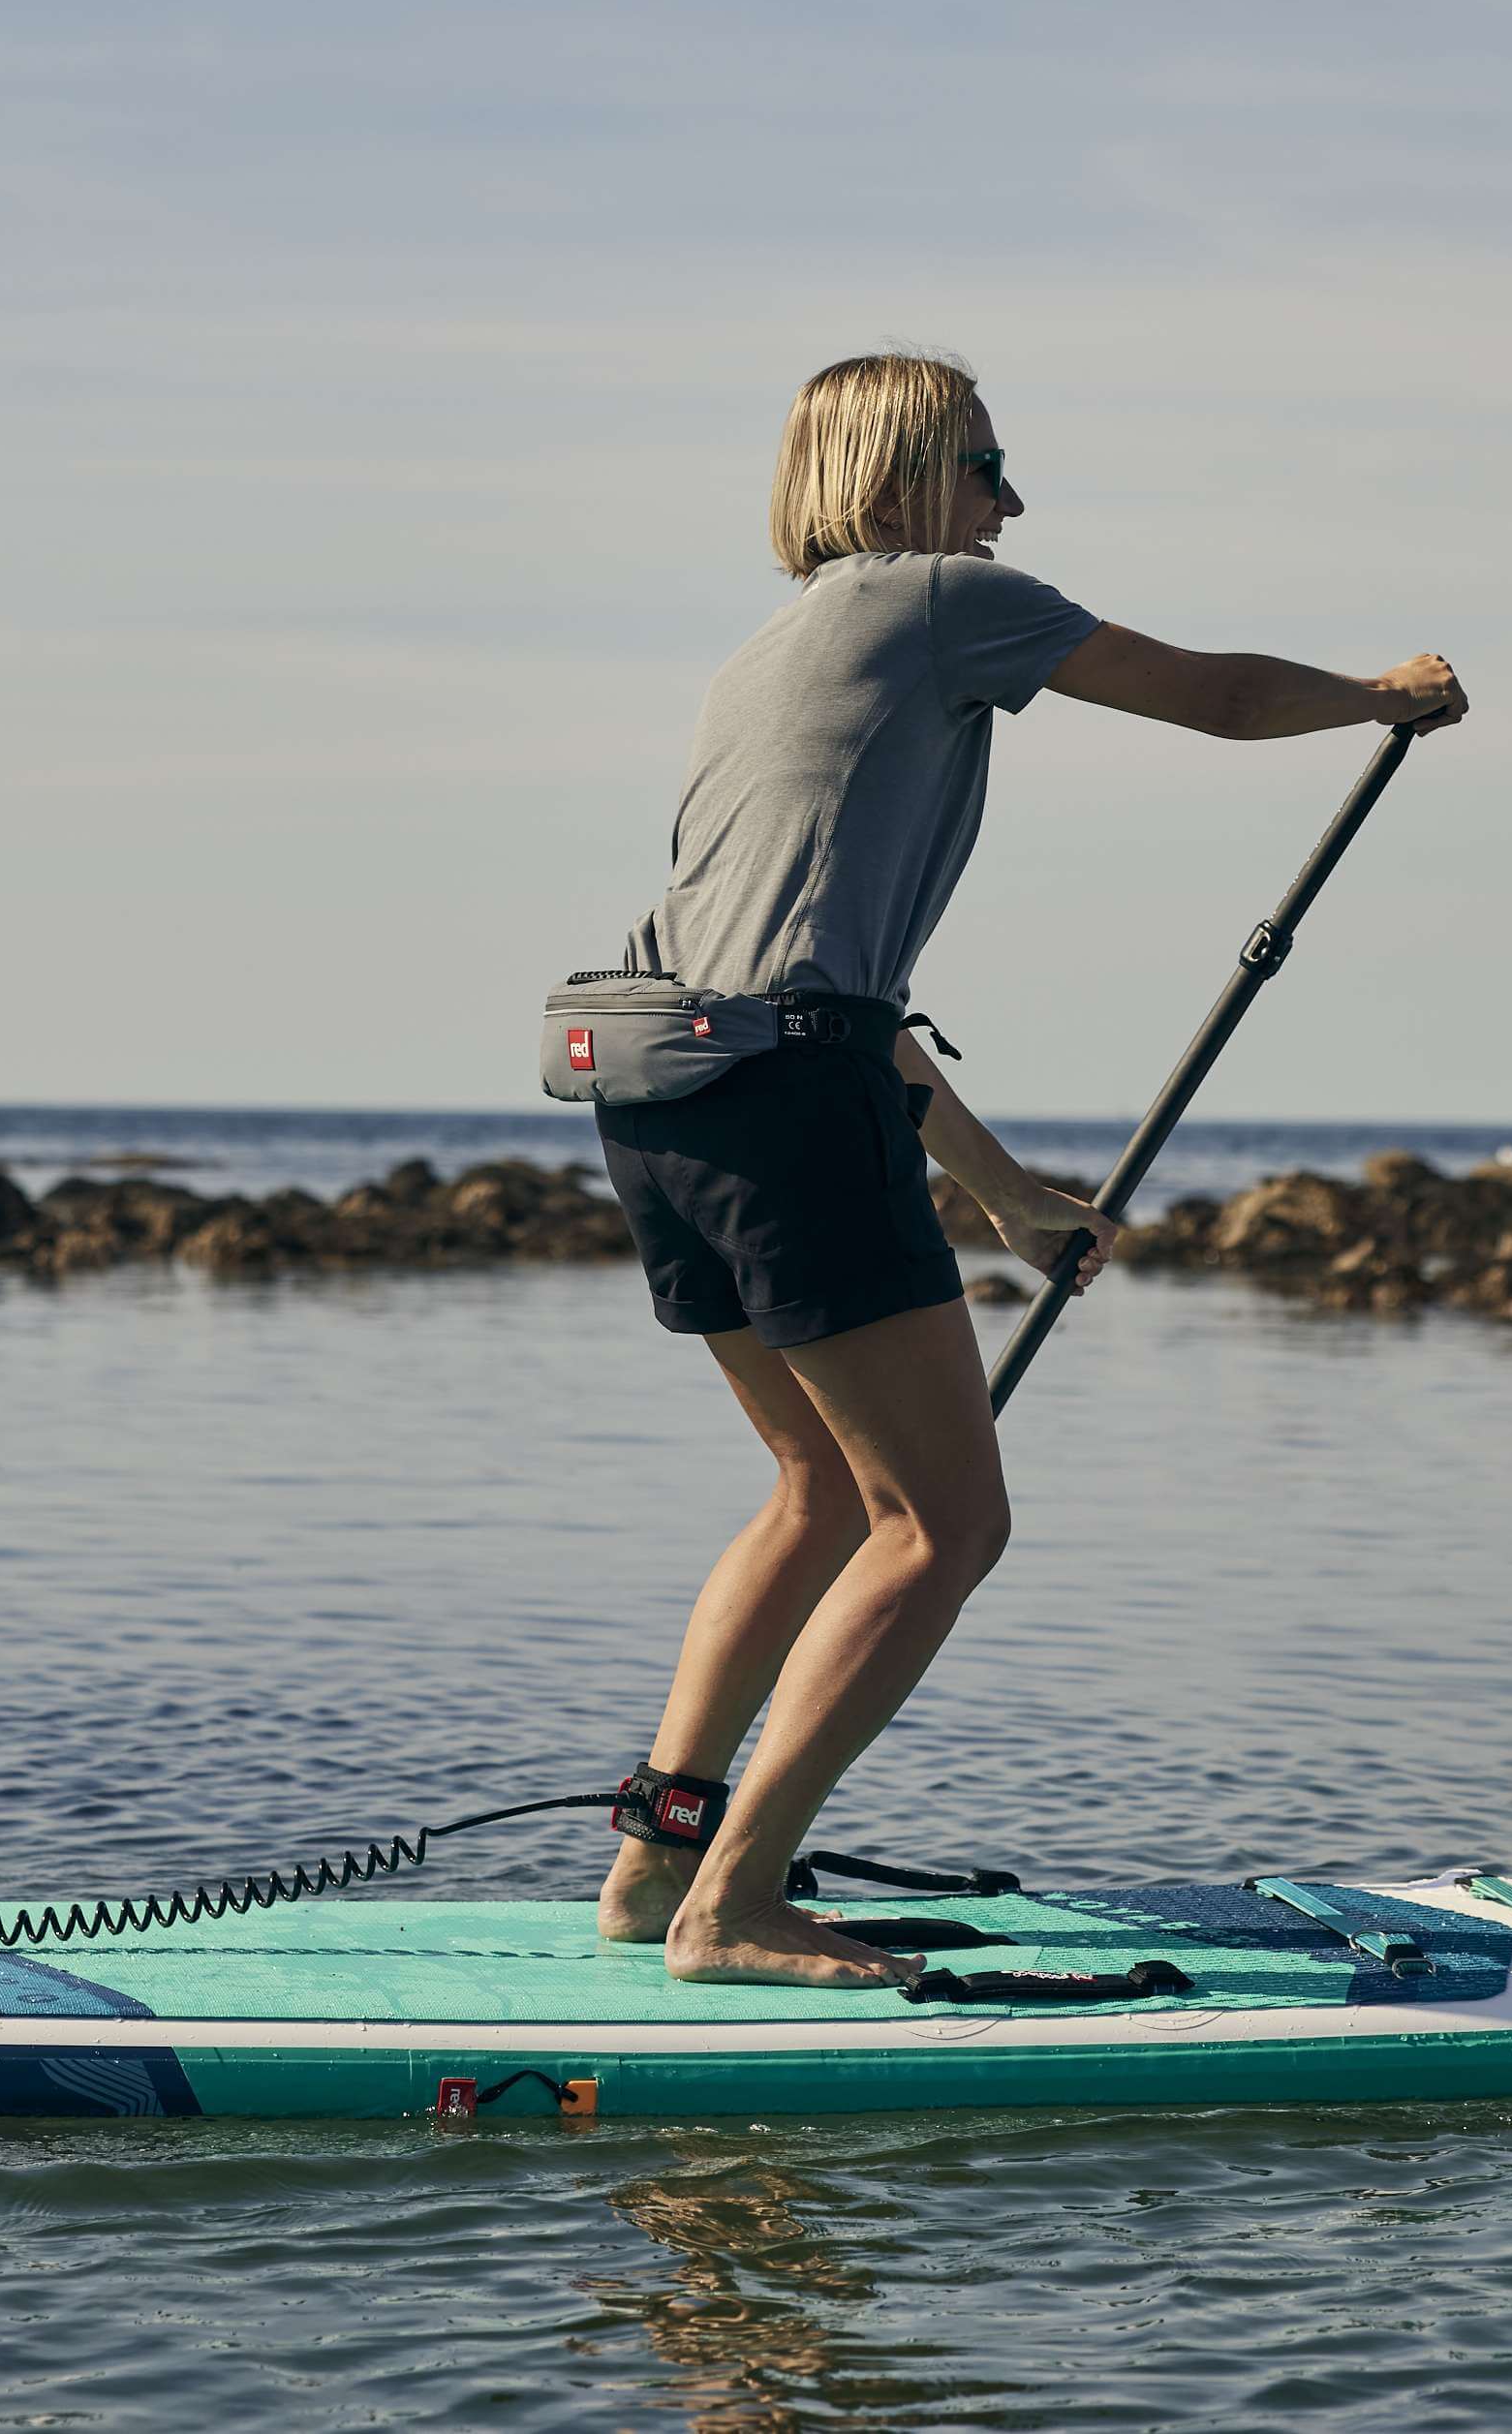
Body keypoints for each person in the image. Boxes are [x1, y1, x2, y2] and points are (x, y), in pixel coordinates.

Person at [596, 352, 1467, 1987]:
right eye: (988, 463)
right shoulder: (935, 600)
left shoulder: (763, 654)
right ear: (906, 478)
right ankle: (737, 1902)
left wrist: (995, 1188)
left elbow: (810, 988)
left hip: (659, 1091)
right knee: (943, 1524)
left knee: (813, 1493)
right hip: (782, 1095)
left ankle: (654, 1868)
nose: (1011, 501)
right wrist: (1378, 695)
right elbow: (1209, 693)